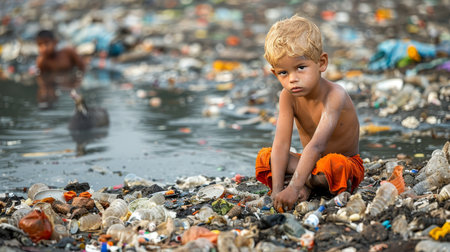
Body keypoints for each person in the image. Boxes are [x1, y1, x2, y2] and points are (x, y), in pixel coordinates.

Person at [255, 15, 364, 212]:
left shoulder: (335, 95)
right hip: (310, 163)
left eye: (300, 68)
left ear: (321, 63)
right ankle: (307, 181)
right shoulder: (287, 97)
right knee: (266, 157)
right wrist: (278, 190)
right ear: (274, 73)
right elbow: (281, 144)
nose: (292, 79)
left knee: (333, 165)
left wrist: (294, 188)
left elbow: (317, 145)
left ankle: (304, 182)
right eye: (283, 73)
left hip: (342, 165)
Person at [35, 30, 86, 108]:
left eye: (46, 43)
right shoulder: (42, 61)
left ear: (55, 42)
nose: (44, 48)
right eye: (40, 45)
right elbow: (41, 79)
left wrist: (77, 82)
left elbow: (82, 68)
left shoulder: (68, 52)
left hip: (71, 79)